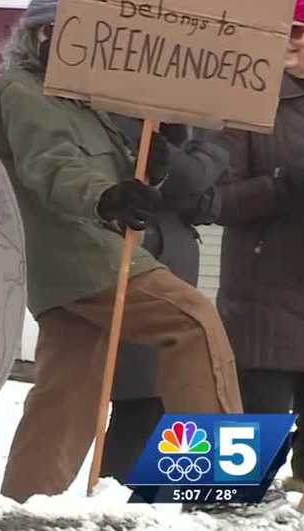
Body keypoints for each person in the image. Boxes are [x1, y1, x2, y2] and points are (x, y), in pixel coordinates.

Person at [0, 0, 243, 503]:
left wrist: (166, 146)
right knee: (192, 321)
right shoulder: (24, 91)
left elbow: (127, 168)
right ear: (38, 35)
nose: (79, 42)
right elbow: (52, 167)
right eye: (64, 30)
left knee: (66, 391)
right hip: (81, 254)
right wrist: (106, 198)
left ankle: (25, 504)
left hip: (78, 263)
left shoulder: (87, 101)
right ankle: (220, 482)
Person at [212, 0, 304, 503]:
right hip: (261, 301)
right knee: (224, 477)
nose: (286, 40)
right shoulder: (242, 100)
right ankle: (183, 508)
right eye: (275, 29)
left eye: (298, 29)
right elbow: (214, 201)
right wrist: (284, 182)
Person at [99, 121, 230, 482]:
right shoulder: (114, 113)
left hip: (176, 261)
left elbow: (207, 186)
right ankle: (117, 493)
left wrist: (170, 161)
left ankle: (193, 489)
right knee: (136, 399)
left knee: (164, 400)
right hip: (129, 257)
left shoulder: (207, 125)